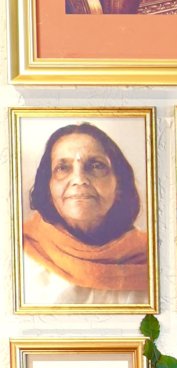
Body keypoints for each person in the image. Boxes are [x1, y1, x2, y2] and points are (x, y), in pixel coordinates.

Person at [19, 121, 149, 307]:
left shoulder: (151, 257)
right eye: (63, 168)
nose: (79, 180)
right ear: (48, 188)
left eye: (95, 166)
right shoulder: (19, 254)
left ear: (119, 185)